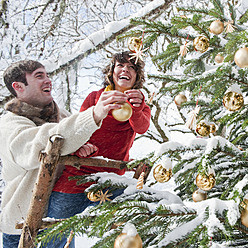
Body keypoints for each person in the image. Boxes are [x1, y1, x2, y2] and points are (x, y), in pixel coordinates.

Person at [0, 59, 130, 247]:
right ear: (18, 86)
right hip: (21, 228)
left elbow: (71, 136)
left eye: (47, 74)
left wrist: (78, 148)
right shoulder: (9, 124)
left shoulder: (61, 115)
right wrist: (93, 114)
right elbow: (39, 144)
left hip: (58, 218)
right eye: (39, 76)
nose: (48, 80)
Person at [47, 51, 151, 247]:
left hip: (112, 180)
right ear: (112, 72)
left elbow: (141, 127)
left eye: (132, 68)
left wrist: (137, 107)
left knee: (128, 232)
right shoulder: (95, 97)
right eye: (120, 65)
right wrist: (80, 147)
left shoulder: (140, 103)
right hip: (75, 177)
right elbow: (78, 128)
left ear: (137, 77)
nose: (125, 70)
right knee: (55, 232)